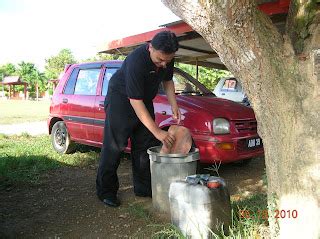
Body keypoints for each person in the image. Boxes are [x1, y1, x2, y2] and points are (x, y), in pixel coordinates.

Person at [96, 31, 181, 207]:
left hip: (144, 99)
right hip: (121, 100)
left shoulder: (166, 58)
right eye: (159, 60)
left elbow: (168, 81)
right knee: (115, 146)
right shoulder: (136, 61)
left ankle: (143, 188)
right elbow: (135, 101)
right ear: (150, 47)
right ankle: (106, 191)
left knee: (144, 145)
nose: (164, 64)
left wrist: (174, 105)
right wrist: (158, 131)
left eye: (168, 60)